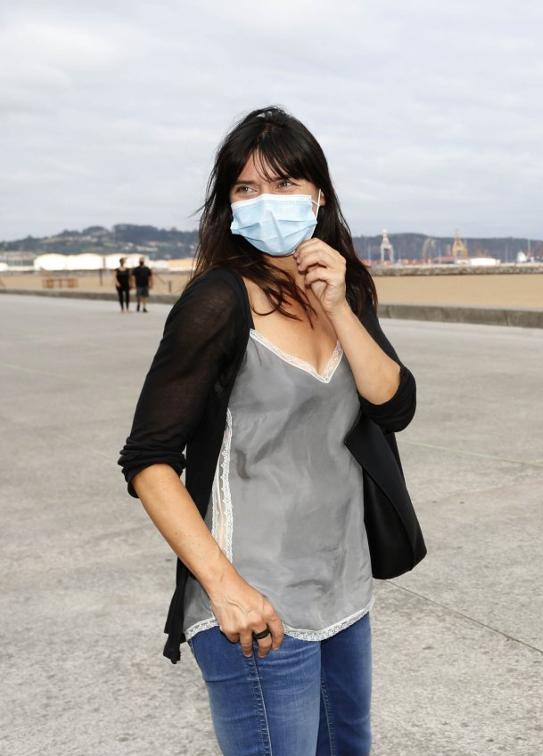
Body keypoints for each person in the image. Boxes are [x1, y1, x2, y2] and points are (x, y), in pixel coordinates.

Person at [118, 106, 420, 755]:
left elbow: (393, 405)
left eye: (283, 184)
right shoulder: (219, 301)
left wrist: (339, 306)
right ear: (228, 206)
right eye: (246, 189)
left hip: (342, 585)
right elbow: (148, 459)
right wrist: (224, 588)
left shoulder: (346, 291)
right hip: (253, 600)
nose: (265, 202)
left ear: (318, 195)